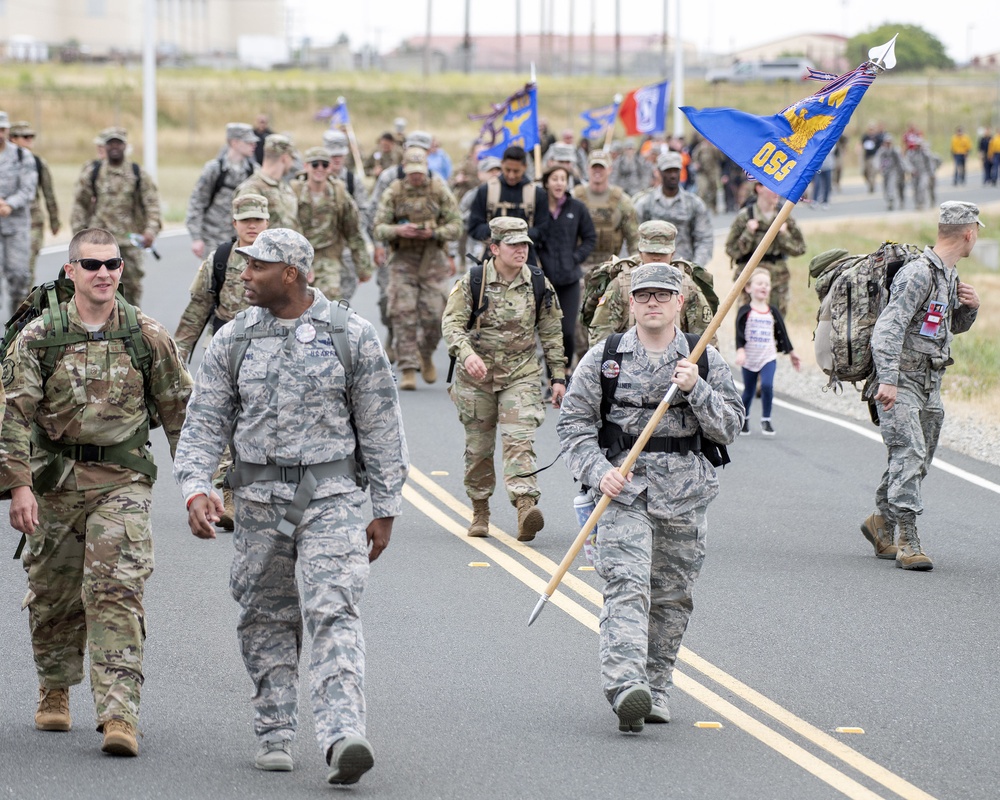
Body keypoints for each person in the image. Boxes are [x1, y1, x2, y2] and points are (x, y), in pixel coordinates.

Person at [173, 227, 407, 786]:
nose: (245, 275)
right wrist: (194, 487)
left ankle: (342, 734)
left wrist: (386, 504)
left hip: (331, 500)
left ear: (292, 275)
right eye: (245, 265)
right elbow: (205, 420)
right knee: (265, 614)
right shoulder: (233, 338)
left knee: (332, 609)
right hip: (255, 503)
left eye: (257, 267)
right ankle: (274, 730)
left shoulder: (349, 334)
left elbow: (380, 425)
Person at [0, 227, 192, 756]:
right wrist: (19, 487)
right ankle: (55, 688)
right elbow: (13, 417)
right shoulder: (39, 337)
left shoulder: (146, 336)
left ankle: (119, 714)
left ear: (122, 270)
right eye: (91, 265)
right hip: (53, 482)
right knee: (53, 594)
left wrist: (202, 486)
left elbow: (182, 414)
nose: (102, 273)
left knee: (117, 591)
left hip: (123, 483)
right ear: (71, 272)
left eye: (111, 264)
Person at [557, 262, 743, 733]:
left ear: (680, 302)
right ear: (631, 303)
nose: (653, 303)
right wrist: (600, 473)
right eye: (644, 296)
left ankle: (656, 688)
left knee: (671, 598)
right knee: (627, 585)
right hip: (625, 492)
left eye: (663, 295)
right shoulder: (606, 357)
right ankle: (625, 687)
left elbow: (728, 427)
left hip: (685, 494)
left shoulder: (704, 359)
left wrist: (695, 388)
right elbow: (573, 425)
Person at [862, 202, 981, 571]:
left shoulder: (949, 275)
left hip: (931, 382)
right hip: (901, 381)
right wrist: (888, 379)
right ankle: (907, 540)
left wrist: (970, 309)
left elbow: (943, 328)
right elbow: (889, 327)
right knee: (910, 453)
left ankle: (880, 521)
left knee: (917, 459)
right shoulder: (918, 274)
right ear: (968, 233)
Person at [441, 217, 566, 541]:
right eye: (513, 245)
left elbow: (552, 334)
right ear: (495, 248)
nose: (521, 250)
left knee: (518, 441)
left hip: (520, 375)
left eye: (525, 244)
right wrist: (467, 354)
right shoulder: (474, 280)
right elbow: (452, 325)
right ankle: (480, 509)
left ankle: (525, 508)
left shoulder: (538, 283)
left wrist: (558, 377)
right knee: (479, 449)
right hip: (476, 380)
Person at [372, 148, 462, 391]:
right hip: (403, 261)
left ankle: (425, 353)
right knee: (403, 314)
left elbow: (456, 225)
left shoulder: (439, 190)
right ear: (404, 170)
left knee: (436, 315)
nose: (416, 177)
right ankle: (408, 369)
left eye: (419, 173)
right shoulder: (394, 192)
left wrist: (434, 233)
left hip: (433, 260)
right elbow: (378, 227)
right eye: (411, 173)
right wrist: (398, 231)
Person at [587, 220, 716, 349]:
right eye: (651, 253)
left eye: (662, 254)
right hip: (627, 361)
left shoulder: (687, 286)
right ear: (640, 252)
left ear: (673, 254)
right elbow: (601, 335)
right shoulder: (622, 284)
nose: (656, 258)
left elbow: (706, 337)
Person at [69, 128, 161, 307]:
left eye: (118, 143)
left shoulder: (137, 173)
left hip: (129, 242)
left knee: (131, 288)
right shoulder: (94, 172)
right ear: (105, 146)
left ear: (125, 146)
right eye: (111, 144)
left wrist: (150, 231)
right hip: (98, 242)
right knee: (95, 285)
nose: (114, 147)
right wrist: (79, 235)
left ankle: (131, 326)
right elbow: (80, 204)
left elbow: (152, 205)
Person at [174, 193, 269, 362]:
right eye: (245, 220)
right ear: (234, 223)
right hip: (223, 343)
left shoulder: (278, 260)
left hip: (266, 345)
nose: (252, 226)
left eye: (258, 220)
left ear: (267, 223)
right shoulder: (219, 258)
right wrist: (180, 351)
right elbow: (199, 306)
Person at [292, 146, 372, 301]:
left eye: (324, 164)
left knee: (330, 299)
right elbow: (284, 229)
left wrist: (363, 268)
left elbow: (353, 231)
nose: (320, 168)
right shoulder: (293, 193)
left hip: (328, 256)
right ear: (306, 166)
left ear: (330, 168)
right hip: (297, 258)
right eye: (315, 164)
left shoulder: (339, 194)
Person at [537, 165, 596, 371]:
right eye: (555, 178)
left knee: (567, 330)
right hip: (544, 280)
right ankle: (551, 376)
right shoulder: (538, 208)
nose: (559, 183)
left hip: (569, 279)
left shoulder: (576, 208)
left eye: (563, 179)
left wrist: (576, 257)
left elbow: (590, 237)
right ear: (546, 183)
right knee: (548, 331)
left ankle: (565, 370)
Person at [724, 180, 807, 318]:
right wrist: (748, 233)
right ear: (759, 188)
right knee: (747, 321)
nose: (777, 192)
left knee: (777, 323)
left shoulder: (784, 216)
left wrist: (784, 234)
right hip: (749, 277)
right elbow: (731, 250)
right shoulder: (745, 216)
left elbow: (800, 248)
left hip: (777, 279)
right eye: (772, 187)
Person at [734, 268, 800, 436]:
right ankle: (744, 419)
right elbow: (739, 333)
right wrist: (740, 351)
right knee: (748, 391)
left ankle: (766, 420)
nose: (764, 287)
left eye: (767, 284)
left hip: (768, 356)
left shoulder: (772, 311)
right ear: (749, 288)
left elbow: (783, 333)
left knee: (766, 385)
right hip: (750, 357)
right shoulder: (745, 311)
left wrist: (792, 353)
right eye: (759, 283)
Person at [466, 144, 551, 267]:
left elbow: (543, 230)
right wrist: (500, 235)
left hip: (526, 262)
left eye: (516, 171)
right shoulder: (486, 191)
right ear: (502, 164)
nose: (511, 175)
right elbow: (474, 227)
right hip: (491, 260)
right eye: (507, 170)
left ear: (525, 167)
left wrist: (518, 237)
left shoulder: (537, 194)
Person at [185, 122, 258, 259]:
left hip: (243, 240)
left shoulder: (254, 172)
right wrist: (196, 238)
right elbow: (197, 202)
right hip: (213, 237)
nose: (253, 145)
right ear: (235, 143)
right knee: (214, 277)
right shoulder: (215, 169)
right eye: (248, 142)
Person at [633, 150, 713, 267]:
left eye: (676, 171)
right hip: (650, 268)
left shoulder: (694, 204)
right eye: (668, 171)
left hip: (684, 268)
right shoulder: (645, 203)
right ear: (659, 172)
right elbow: (634, 238)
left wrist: (695, 268)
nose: (673, 175)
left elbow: (704, 239)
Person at [321, 129, 372, 301]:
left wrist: (353, 227)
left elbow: (365, 210)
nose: (336, 159)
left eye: (340, 155)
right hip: (321, 250)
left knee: (343, 301)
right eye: (332, 155)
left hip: (346, 252)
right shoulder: (316, 179)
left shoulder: (352, 181)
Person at [9, 120, 59, 286]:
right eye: (25, 136)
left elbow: (48, 193)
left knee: (26, 269)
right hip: (7, 221)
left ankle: (24, 308)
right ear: (12, 139)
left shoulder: (38, 163)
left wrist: (54, 220)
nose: (29, 140)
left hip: (32, 222)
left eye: (31, 136)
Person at [0, 111, 39, 316]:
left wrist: (10, 205)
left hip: (15, 226)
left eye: (3, 130)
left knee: (18, 277)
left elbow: (28, 189)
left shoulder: (22, 156)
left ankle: (14, 327)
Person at [573, 150, 638, 270]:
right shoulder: (574, 197)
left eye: (601, 167)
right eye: (594, 167)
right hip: (578, 266)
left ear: (610, 169)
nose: (597, 171)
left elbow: (634, 239)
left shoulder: (622, 201)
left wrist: (634, 267)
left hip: (611, 267)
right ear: (588, 169)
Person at [234, 134, 300, 232]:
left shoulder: (284, 186)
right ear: (285, 158)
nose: (293, 164)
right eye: (292, 159)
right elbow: (247, 233)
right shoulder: (251, 189)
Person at [878, 134, 906, 211]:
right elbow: (877, 160)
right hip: (885, 172)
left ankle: (892, 200)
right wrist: (879, 167)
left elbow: (900, 161)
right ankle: (888, 200)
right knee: (885, 187)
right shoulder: (882, 151)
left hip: (894, 171)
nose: (888, 144)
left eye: (889, 142)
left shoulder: (895, 151)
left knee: (891, 186)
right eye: (886, 142)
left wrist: (903, 170)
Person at [860, 122, 884, 194]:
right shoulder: (865, 137)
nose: (871, 131)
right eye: (870, 129)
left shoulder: (877, 137)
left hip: (874, 156)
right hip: (866, 156)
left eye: (872, 129)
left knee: (872, 172)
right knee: (865, 172)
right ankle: (869, 182)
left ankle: (872, 185)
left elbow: (881, 146)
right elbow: (861, 144)